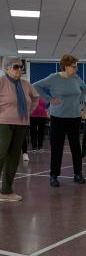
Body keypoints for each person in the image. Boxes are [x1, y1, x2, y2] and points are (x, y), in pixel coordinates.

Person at [33, 54, 86, 187]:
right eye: (74, 67)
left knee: (76, 147)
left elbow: (84, 88)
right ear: (65, 66)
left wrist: (81, 100)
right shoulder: (53, 78)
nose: (76, 69)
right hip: (58, 118)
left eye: (76, 67)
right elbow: (35, 86)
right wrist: (48, 99)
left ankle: (78, 173)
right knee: (57, 147)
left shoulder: (76, 78)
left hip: (75, 117)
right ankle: (54, 175)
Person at [0, 57, 39, 202]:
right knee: (1, 153)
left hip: (21, 123)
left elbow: (35, 98)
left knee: (14, 158)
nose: (19, 70)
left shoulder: (26, 84)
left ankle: (6, 191)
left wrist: (28, 112)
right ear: (7, 68)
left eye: (21, 67)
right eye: (16, 67)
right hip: (3, 123)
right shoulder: (2, 82)